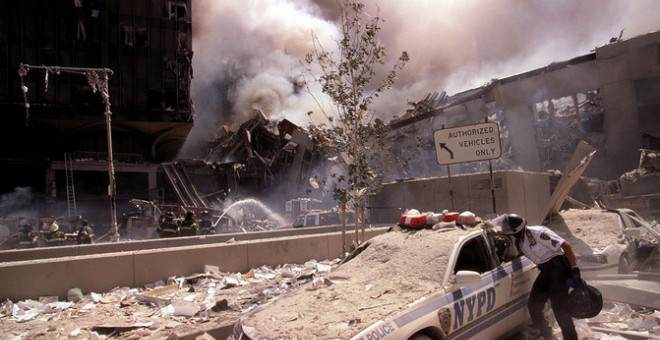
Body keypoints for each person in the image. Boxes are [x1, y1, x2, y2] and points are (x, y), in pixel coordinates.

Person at [501, 213, 581, 340]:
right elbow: (509, 255)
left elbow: (566, 246)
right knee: (534, 305)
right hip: (546, 272)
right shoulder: (520, 242)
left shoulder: (538, 232)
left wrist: (575, 270)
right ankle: (547, 334)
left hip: (559, 269)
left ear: (515, 230)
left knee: (560, 310)